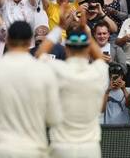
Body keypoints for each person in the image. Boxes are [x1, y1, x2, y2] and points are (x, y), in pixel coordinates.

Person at [0, 21, 59, 158]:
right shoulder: (45, 71)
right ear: (30, 42)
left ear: (8, 40)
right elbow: (53, 118)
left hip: (1, 151)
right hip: (33, 150)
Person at [39, 15, 108, 158]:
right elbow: (100, 58)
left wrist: (59, 27)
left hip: (61, 148)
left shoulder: (58, 69)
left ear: (67, 49)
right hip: (90, 150)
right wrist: (85, 31)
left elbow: (40, 54)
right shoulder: (98, 71)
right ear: (88, 48)